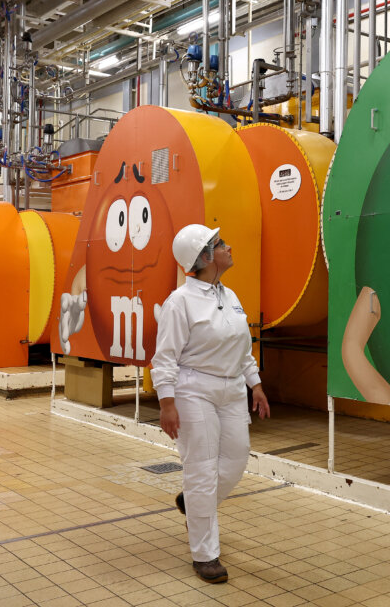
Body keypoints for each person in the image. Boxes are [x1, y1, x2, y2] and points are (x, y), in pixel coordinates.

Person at [150, 224, 271, 584]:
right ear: (203, 257)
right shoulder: (180, 302)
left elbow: (241, 347)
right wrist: (167, 403)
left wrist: (255, 384)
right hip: (194, 391)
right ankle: (205, 556)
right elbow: (164, 358)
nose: (228, 247)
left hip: (232, 390)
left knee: (236, 459)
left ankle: (193, 503)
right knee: (201, 471)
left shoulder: (229, 295)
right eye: (220, 244)